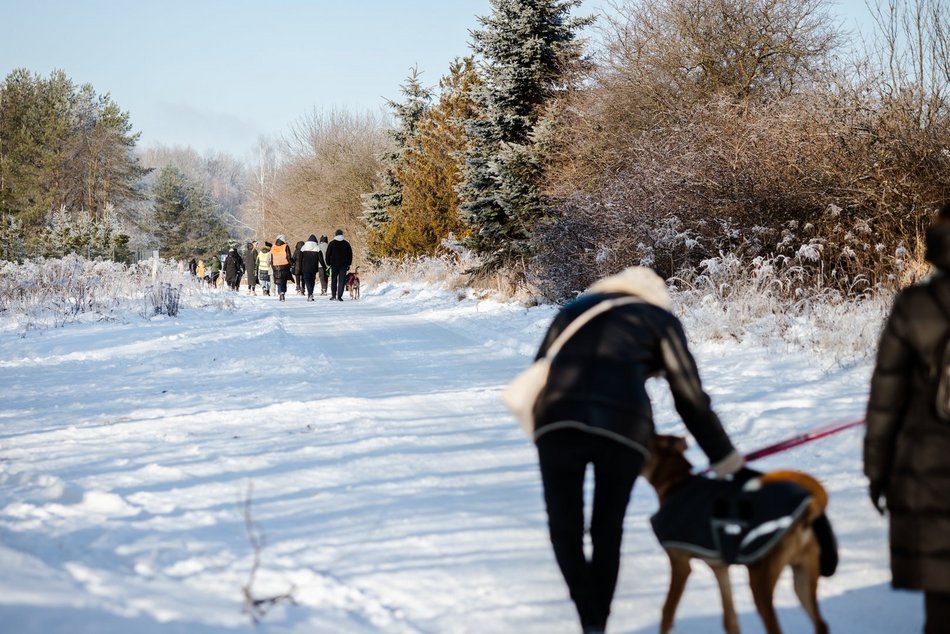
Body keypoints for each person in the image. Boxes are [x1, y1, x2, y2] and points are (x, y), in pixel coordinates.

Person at [530, 266, 743, 634]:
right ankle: (600, 622)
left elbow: (538, 371)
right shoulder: (659, 319)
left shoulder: (572, 310)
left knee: (564, 527)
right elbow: (690, 398)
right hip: (625, 426)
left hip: (557, 420)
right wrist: (725, 459)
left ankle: (589, 619)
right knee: (606, 527)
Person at [865, 202, 950, 634]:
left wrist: (877, 473)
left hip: (928, 472)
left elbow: (886, 399)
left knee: (943, 603)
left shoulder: (915, 306)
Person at [325, 228, 353, 302]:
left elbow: (327, 254)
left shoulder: (332, 243)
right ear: (342, 235)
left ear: (336, 235)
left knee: (334, 280)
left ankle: (333, 295)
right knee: (342, 281)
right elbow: (350, 254)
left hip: (334, 264)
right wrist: (349, 263)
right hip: (343, 265)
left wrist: (328, 263)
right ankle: (340, 296)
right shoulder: (346, 244)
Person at [298, 234, 323, 301]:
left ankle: (310, 294)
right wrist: (324, 266)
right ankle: (311, 293)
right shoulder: (317, 248)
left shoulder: (303, 248)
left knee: (307, 281)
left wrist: (300, 268)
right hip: (313, 268)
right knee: (312, 281)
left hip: (305, 268)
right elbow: (321, 259)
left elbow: (299, 259)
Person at [270, 235, 293, 301]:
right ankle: (283, 292)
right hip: (284, 265)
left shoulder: (273, 247)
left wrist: (273, 266)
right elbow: (288, 256)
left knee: (278, 280)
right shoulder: (285, 246)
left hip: (276, 266)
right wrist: (291, 265)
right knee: (283, 280)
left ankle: (280, 293)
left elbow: (272, 258)